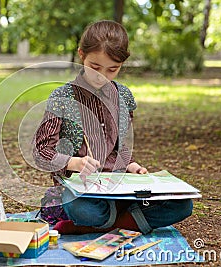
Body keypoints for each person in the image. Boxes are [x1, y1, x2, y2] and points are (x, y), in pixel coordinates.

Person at [33, 20, 193, 235]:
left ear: (121, 65)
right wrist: (74, 162)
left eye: (112, 69)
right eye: (95, 67)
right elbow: (41, 152)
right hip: (81, 191)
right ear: (82, 55)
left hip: (120, 188)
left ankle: (100, 224)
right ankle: (122, 221)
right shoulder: (63, 97)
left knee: (182, 205)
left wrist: (132, 166)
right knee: (83, 210)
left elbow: (122, 148)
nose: (102, 76)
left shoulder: (123, 97)